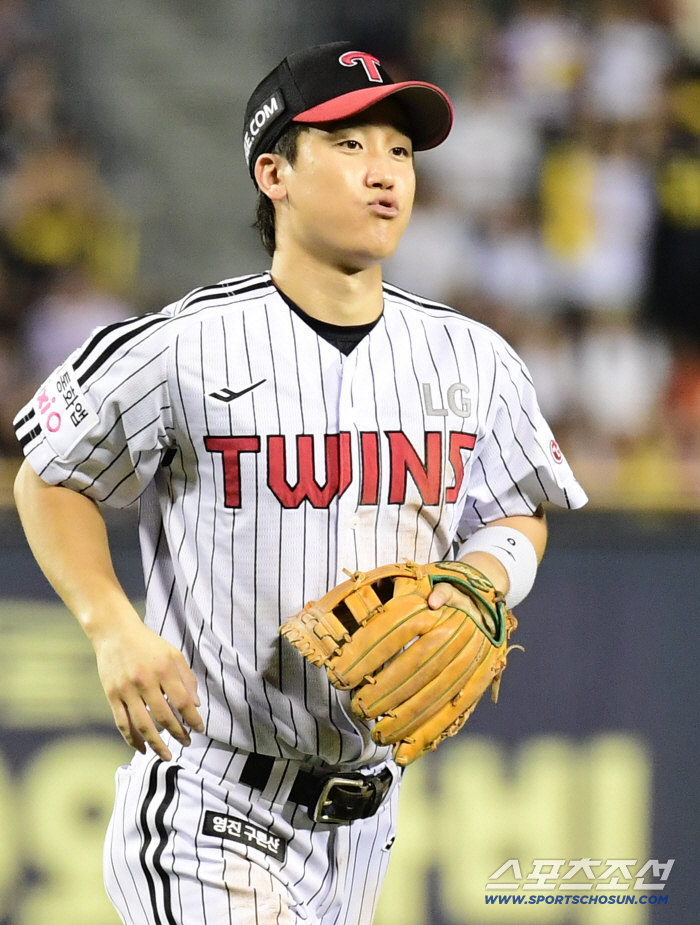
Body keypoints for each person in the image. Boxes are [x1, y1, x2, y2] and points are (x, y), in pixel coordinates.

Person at [12, 42, 587, 925]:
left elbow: (520, 505)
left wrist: (486, 579)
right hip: (206, 802)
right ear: (274, 172)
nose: (386, 173)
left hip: (362, 825)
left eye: (399, 149)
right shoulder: (185, 345)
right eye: (351, 145)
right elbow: (49, 477)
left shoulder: (474, 359)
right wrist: (111, 627)